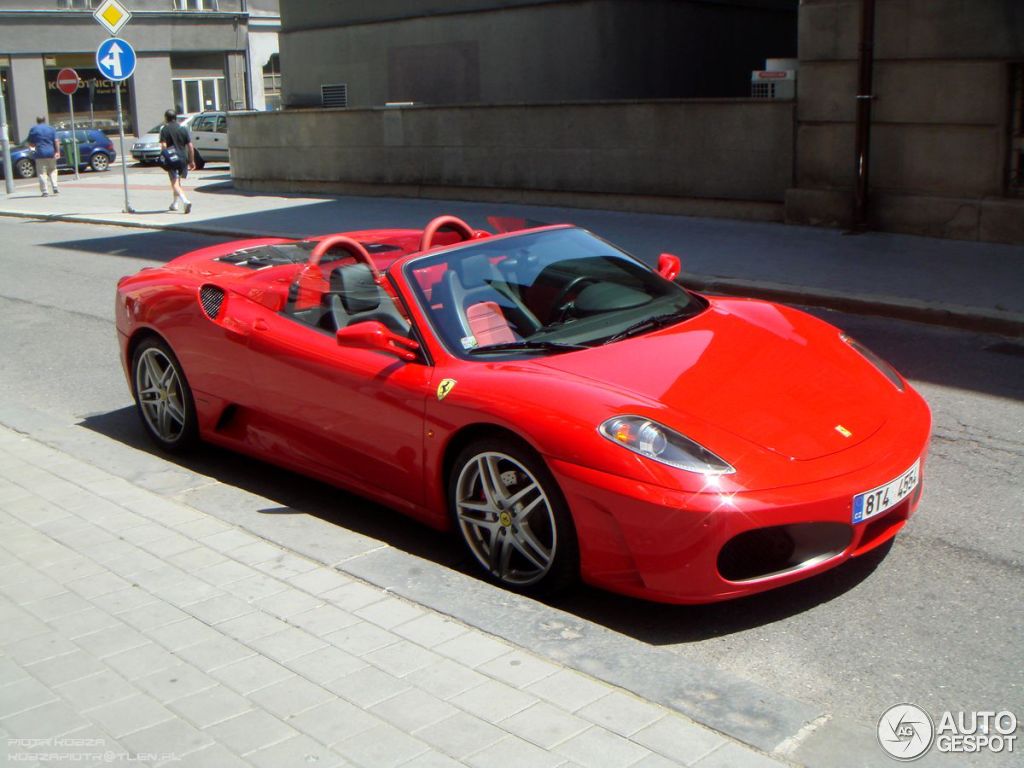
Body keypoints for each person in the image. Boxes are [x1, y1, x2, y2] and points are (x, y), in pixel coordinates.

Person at [158, 109, 196, 213]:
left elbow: (163, 145)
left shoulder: (164, 129)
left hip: (172, 159)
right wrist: (192, 161)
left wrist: (164, 157)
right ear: (175, 117)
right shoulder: (183, 129)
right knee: (177, 182)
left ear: (166, 118)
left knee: (174, 183)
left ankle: (185, 201)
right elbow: (190, 146)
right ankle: (175, 204)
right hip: (183, 158)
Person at [26, 116, 60, 197]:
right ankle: (55, 186)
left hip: (40, 154)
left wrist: (33, 152)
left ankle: (45, 191)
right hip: (51, 153)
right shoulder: (51, 129)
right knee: (53, 170)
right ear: (45, 120)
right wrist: (57, 152)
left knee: (42, 173)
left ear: (37, 121)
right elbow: (56, 141)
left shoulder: (33, 129)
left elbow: (31, 143)